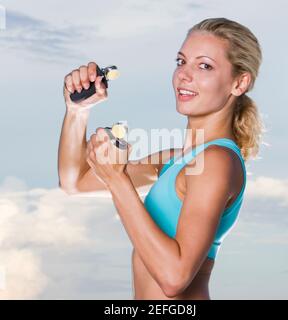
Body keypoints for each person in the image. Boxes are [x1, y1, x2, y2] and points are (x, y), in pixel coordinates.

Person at [58, 17, 264, 300]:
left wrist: (117, 179)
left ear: (239, 83)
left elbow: (174, 278)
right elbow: (74, 182)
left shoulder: (216, 161)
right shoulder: (178, 159)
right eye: (181, 62)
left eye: (204, 66)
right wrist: (77, 111)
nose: (184, 75)